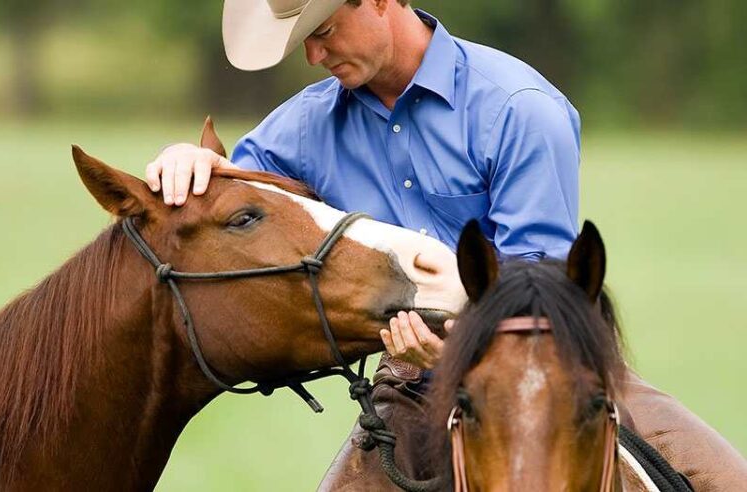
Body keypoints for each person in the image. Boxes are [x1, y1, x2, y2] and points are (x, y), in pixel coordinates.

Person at [145, 1, 747, 490]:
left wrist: (463, 348)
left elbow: (541, 281)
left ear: (382, 2)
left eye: (324, 31)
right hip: (406, 376)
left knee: (725, 479)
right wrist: (190, 159)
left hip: (542, 367)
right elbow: (235, 193)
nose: (313, 54)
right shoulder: (304, 125)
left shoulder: (518, 110)